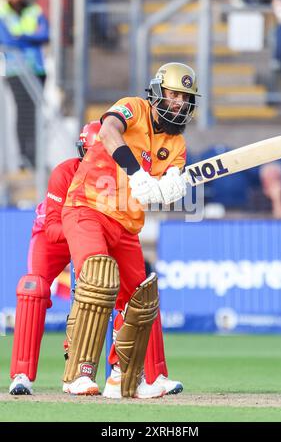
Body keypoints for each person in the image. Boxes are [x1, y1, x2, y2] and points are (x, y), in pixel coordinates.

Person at [61, 62, 200, 398]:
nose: (179, 102)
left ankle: (124, 378)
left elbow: (162, 188)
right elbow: (108, 131)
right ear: (157, 92)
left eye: (186, 97)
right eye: (173, 94)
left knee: (140, 299)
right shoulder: (134, 108)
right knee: (97, 276)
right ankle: (77, 373)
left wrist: (170, 189)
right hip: (87, 207)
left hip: (126, 226)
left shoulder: (177, 146)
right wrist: (138, 174)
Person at [9, 122, 99, 395]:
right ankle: (22, 375)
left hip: (89, 236)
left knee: (112, 285)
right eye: (92, 155)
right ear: (82, 151)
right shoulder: (64, 173)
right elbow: (51, 227)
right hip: (53, 238)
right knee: (32, 288)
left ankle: (116, 373)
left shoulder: (115, 179)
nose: (97, 163)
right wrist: (84, 232)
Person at [0, 0, 49, 168]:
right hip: (14, 70)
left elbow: (45, 35)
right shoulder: (3, 12)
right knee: (23, 113)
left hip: (35, 68)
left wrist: (21, 36)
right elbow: (6, 40)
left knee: (35, 113)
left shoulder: (33, 10)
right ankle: (24, 156)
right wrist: (31, 37)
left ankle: (34, 156)